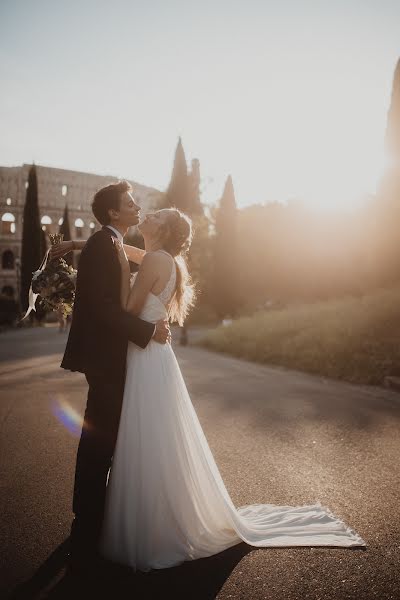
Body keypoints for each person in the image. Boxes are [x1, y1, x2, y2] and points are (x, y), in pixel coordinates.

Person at [56, 202, 366, 573]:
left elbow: (124, 306)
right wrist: (79, 247)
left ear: (165, 230)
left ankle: (150, 523)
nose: (148, 215)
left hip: (144, 357)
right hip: (154, 358)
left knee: (146, 437)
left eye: (156, 216)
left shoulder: (155, 261)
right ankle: (158, 514)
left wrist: (88, 282)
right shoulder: (162, 258)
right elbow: (128, 253)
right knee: (155, 438)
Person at [55, 181, 170, 574]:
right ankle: (85, 528)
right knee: (98, 441)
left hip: (112, 358)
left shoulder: (112, 241)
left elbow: (117, 268)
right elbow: (103, 307)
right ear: (112, 213)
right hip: (105, 359)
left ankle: (93, 518)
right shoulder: (105, 244)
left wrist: (72, 244)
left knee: (106, 439)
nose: (137, 206)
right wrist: (147, 331)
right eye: (129, 203)